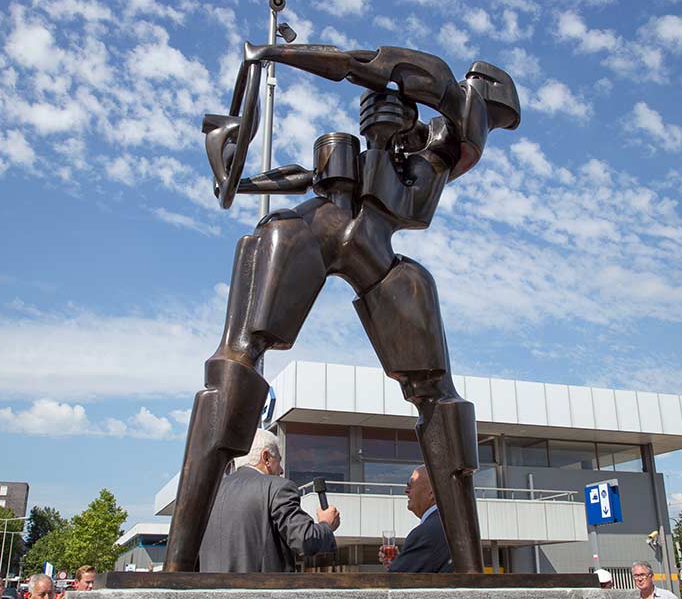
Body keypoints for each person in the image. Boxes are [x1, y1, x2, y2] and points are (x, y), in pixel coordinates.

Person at [165, 43, 520, 575]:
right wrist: (271, 57)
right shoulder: (441, 103)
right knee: (237, 360)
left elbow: (360, 72)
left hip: (363, 246)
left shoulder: (425, 158)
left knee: (436, 394)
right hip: (333, 232)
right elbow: (362, 64)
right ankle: (176, 562)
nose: (483, 132)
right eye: (491, 117)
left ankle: (471, 569)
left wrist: (243, 173)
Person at [198, 429, 340, 572]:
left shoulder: (210, 493)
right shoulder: (277, 488)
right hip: (262, 591)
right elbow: (305, 540)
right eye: (278, 460)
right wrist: (326, 524)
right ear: (266, 458)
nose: (282, 470)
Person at [378, 466, 453, 573]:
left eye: (410, 485)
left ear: (432, 493)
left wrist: (399, 566)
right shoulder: (447, 523)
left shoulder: (427, 533)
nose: (406, 491)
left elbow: (398, 581)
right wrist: (400, 562)